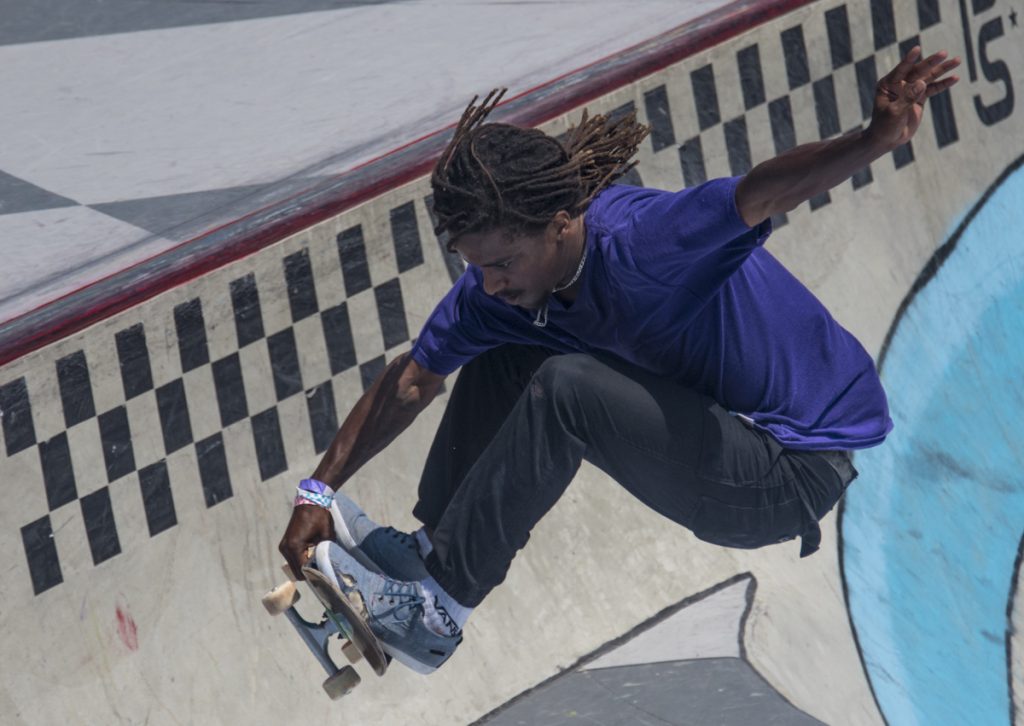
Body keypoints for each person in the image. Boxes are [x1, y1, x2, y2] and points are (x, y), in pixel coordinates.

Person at [278, 47, 961, 673]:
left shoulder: (645, 243)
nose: (490, 284)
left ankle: (439, 610)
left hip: (791, 468)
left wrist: (872, 139)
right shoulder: (502, 289)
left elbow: (762, 192)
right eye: (476, 266)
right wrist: (318, 490)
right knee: (512, 343)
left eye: (504, 262)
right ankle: (430, 557)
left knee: (565, 385)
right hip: (716, 429)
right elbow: (413, 380)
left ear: (562, 224)